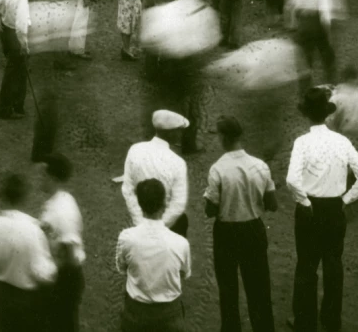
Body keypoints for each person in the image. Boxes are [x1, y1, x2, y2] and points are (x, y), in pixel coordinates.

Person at [287, 88, 358, 332]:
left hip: (310, 210)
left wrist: (304, 203)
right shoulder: (342, 142)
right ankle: (331, 320)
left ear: (306, 115)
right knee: (334, 265)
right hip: (335, 209)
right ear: (326, 115)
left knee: (306, 266)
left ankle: (304, 321)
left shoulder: (302, 143)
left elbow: (292, 180)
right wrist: (345, 200)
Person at [204, 116, 277, 332]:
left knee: (228, 290)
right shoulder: (260, 166)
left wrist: (208, 199)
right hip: (253, 230)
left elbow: (210, 211)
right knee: (259, 288)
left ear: (224, 137)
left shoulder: (218, 169)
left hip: (226, 233)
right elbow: (272, 204)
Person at [115, 178, 191, 332]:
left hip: (136, 313)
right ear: (164, 205)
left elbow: (122, 269)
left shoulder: (126, 238)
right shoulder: (181, 243)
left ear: (140, 205)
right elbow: (184, 273)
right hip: (169, 315)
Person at [0, 172, 57, 332]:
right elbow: (43, 274)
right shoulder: (33, 230)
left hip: (2, 296)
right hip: (26, 301)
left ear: (2, 196)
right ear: (23, 197)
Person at [122, 110, 190, 236]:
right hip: (169, 226)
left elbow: (128, 190)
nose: (181, 134)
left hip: (141, 220)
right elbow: (178, 203)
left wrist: (139, 223)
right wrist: (158, 229)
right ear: (172, 132)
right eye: (179, 130)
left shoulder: (135, 150)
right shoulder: (178, 163)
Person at [38, 153, 85, 332]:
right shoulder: (61, 199)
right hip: (65, 276)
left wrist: (55, 274)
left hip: (65, 277)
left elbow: (69, 249)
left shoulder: (62, 211)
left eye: (43, 174)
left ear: (52, 177)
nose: (40, 178)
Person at [284, 0, 346, 89]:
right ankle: (331, 87)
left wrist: (293, 25)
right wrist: (328, 32)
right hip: (316, 21)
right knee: (327, 57)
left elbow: (290, 5)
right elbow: (325, 8)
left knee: (305, 59)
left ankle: (305, 93)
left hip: (302, 21)